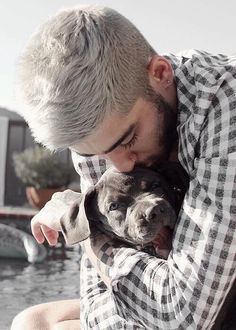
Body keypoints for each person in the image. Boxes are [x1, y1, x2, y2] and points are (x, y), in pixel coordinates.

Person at [11, 5, 236, 330]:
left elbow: (184, 315)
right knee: (32, 322)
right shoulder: (98, 129)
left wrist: (84, 227)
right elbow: (96, 297)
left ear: (160, 73)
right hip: (177, 293)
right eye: (101, 155)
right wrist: (87, 220)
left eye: (128, 139)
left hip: (207, 304)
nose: (121, 165)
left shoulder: (226, 109)